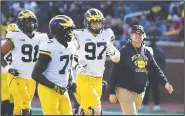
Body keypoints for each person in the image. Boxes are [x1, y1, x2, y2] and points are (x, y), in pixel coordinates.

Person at [109, 25, 173, 115]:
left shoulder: (147, 52)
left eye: (140, 34)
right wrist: (112, 92)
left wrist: (166, 83)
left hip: (139, 92)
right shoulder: (123, 52)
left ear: (144, 36)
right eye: (136, 33)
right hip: (124, 89)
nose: (138, 35)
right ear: (131, 35)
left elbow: (156, 69)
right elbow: (114, 72)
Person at [72, 8, 120, 115]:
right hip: (84, 76)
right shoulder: (78, 35)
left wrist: (113, 53)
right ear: (87, 23)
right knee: (96, 110)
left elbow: (116, 58)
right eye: (94, 22)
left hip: (98, 78)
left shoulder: (107, 34)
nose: (97, 25)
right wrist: (76, 66)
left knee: (86, 111)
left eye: (99, 22)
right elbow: (70, 54)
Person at [1, 10, 49, 115]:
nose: (30, 23)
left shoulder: (42, 37)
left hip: (31, 79)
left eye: (32, 21)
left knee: (18, 109)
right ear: (21, 23)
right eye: (27, 21)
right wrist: (8, 68)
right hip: (16, 77)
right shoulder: (15, 36)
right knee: (26, 108)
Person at [32, 15, 76, 115]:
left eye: (71, 30)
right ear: (59, 30)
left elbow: (67, 68)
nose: (71, 32)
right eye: (68, 30)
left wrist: (71, 80)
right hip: (49, 89)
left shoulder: (71, 46)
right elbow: (35, 74)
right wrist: (54, 86)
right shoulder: (49, 47)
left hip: (62, 89)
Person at [140, 36, 166, 111]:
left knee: (155, 89)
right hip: (146, 74)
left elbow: (162, 64)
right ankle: (144, 104)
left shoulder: (159, 52)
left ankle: (157, 105)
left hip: (155, 74)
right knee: (145, 90)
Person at [1, 23, 19, 115]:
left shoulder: (3, 43)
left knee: (7, 99)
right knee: (13, 99)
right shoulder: (20, 42)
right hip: (15, 73)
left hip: (6, 72)